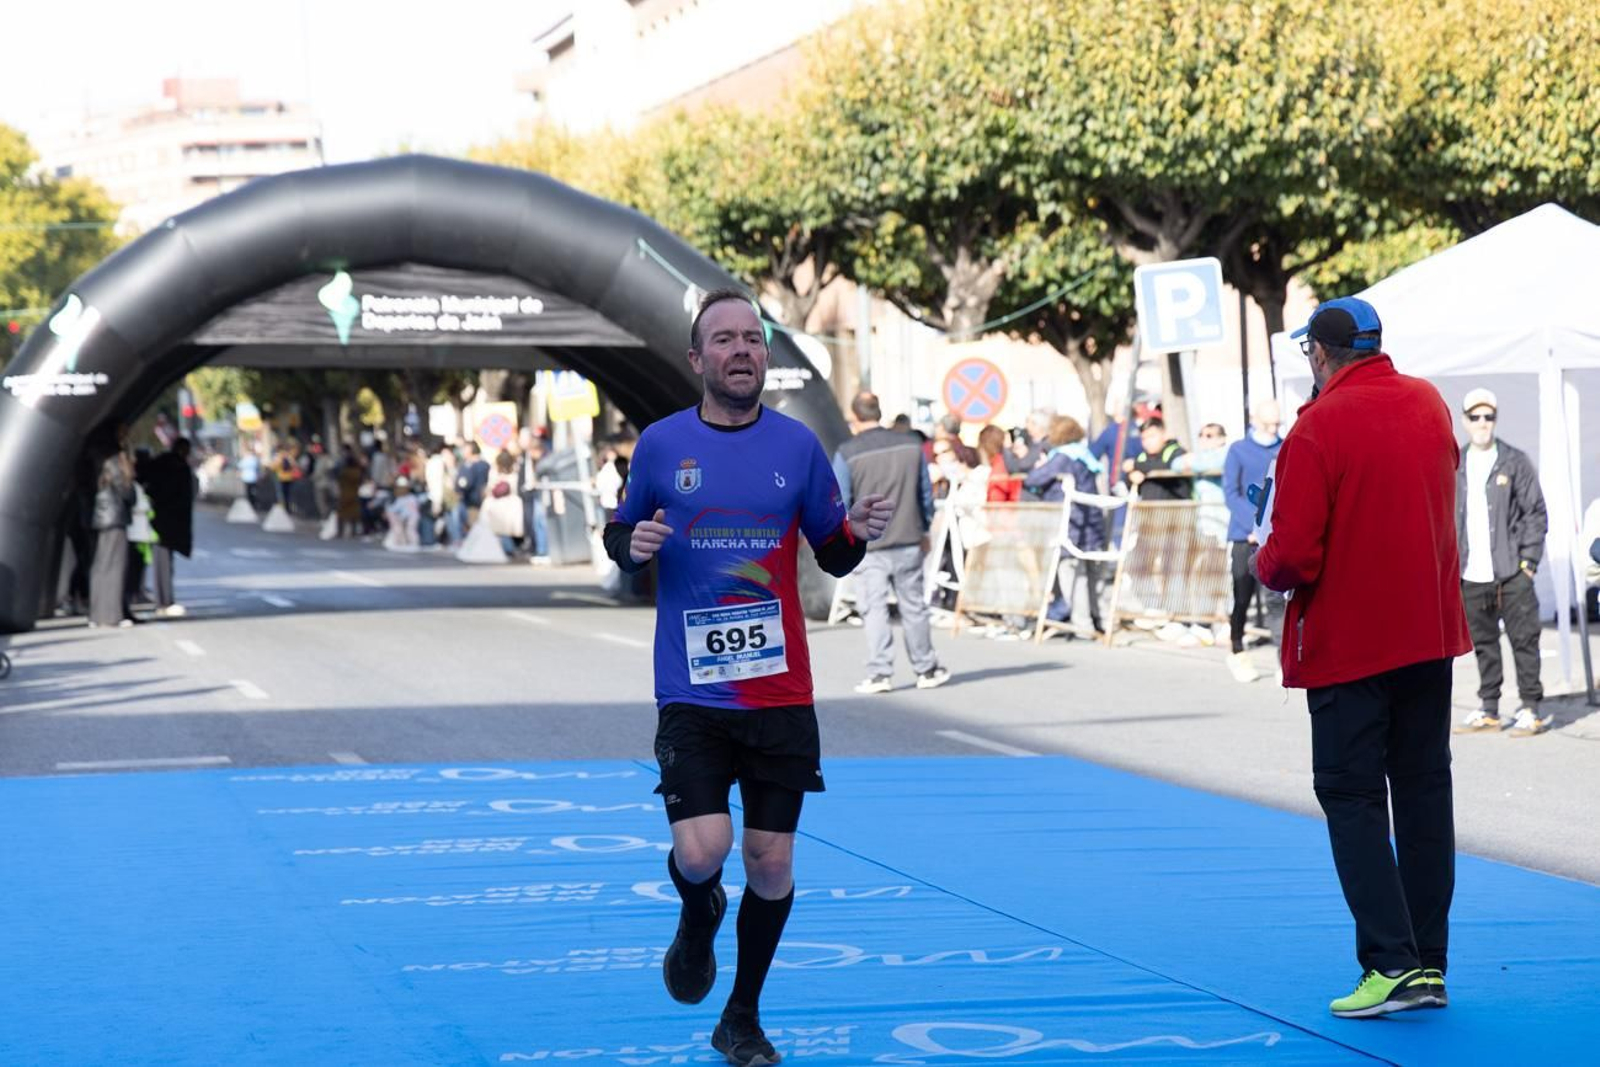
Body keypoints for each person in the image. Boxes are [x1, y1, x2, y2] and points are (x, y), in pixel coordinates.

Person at [602, 288, 892, 1065]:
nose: (741, 351)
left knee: (770, 860)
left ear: (765, 356)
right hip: (693, 691)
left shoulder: (797, 448)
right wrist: (633, 544)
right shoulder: (662, 445)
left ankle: (741, 1015)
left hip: (780, 690)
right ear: (697, 360)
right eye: (723, 340)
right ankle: (698, 913)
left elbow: (831, 549)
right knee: (703, 851)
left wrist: (855, 537)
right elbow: (621, 528)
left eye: (752, 340)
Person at [1254, 296, 1470, 1018]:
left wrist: (1261, 563)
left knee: (1350, 797)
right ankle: (1428, 963)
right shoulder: (1428, 403)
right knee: (1422, 793)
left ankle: (1391, 961)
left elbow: (1294, 553)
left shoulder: (1318, 426)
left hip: (1351, 641)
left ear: (1320, 353)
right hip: (1427, 634)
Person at [833, 391, 952, 695]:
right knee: (914, 607)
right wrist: (924, 529)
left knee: (874, 610)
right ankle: (926, 668)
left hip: (868, 545)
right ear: (879, 411)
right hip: (908, 537)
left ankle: (879, 673)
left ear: (855, 416)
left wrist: (846, 537)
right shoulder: (911, 446)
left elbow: (841, 500)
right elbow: (925, 494)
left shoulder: (847, 452)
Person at [1452, 388, 1550, 736]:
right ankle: (1489, 707)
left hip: (1511, 572)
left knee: (1525, 640)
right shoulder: (1456, 463)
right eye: (1475, 417)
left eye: (1488, 416)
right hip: (1471, 573)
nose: (1482, 423)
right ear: (1464, 420)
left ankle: (1531, 708)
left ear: (1495, 419)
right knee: (1484, 644)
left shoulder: (1514, 460)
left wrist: (1529, 563)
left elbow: (1535, 512)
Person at [1023, 415, 1107, 633]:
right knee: (1091, 575)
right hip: (1092, 522)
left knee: (1072, 574)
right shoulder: (1085, 454)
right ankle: (1102, 619)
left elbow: (1033, 479)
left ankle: (1083, 624)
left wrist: (1039, 466)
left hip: (1070, 524)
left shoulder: (1062, 457)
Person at [1221, 401, 1282, 683]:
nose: (1273, 430)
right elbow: (1231, 493)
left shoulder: (1284, 447)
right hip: (1245, 534)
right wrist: (1253, 526)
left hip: (1275, 533)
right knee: (1243, 594)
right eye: (1268, 424)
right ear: (1255, 420)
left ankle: (1283, 656)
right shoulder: (1238, 450)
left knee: (1276, 598)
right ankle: (1236, 647)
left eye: (1276, 425)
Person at [140, 436, 196, 617]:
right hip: (166, 520)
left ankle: (164, 600)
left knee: (164, 562)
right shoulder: (173, 465)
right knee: (163, 562)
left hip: (164, 520)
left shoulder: (167, 463)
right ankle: (163, 602)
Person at [89, 449, 136, 629]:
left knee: (101, 566)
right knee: (115, 566)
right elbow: (127, 493)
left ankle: (97, 614)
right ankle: (111, 615)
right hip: (115, 518)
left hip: (102, 518)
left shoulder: (102, 462)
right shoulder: (117, 463)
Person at [1122, 418, 1191, 501]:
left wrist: (1135, 465)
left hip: (1176, 510)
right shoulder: (1142, 457)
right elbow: (1129, 484)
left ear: (1164, 435)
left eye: (1152, 436)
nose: (1148, 442)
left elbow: (1166, 466)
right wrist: (1131, 478)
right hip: (1150, 511)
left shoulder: (1177, 452)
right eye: (1144, 439)